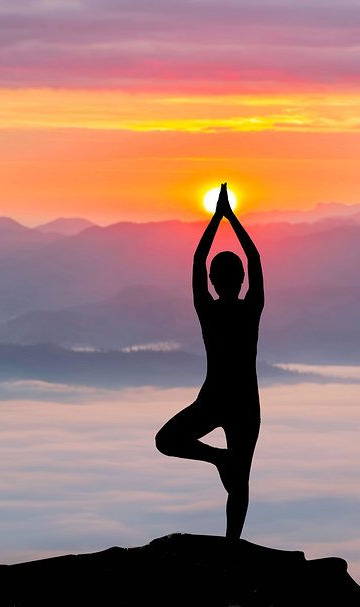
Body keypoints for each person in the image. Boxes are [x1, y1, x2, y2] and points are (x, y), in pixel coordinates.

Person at [155, 182, 264, 539]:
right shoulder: (251, 309)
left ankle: (219, 459)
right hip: (244, 403)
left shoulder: (208, 311)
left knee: (167, 440)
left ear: (214, 281)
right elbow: (255, 258)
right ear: (242, 280)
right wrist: (232, 218)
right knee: (240, 481)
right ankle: (232, 544)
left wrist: (217, 218)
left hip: (215, 399)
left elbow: (198, 260)